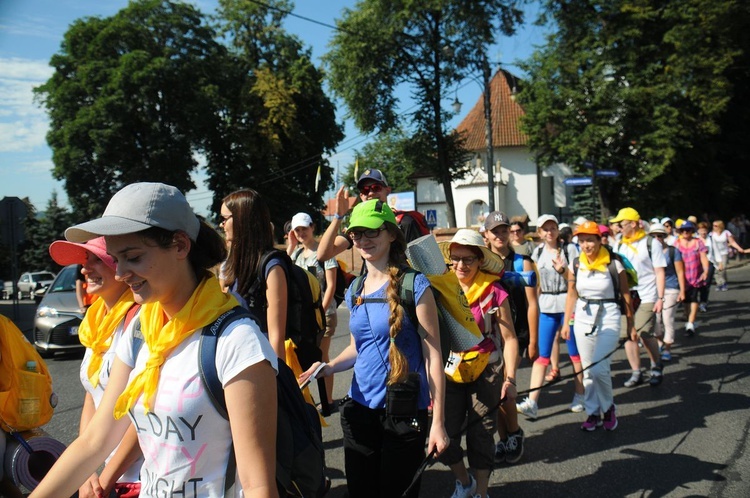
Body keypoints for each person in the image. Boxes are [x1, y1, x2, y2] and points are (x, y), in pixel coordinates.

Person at [30, 182, 279, 498]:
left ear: (179, 245)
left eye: (132, 257)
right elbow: (95, 442)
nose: (121, 273)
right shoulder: (139, 332)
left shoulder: (236, 340)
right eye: (116, 259)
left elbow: (258, 485)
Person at [299, 199, 448, 498]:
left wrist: (439, 423)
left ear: (391, 234)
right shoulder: (355, 288)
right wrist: (328, 367)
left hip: (404, 413)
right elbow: (358, 348)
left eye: (372, 232)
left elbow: (434, 358)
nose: (363, 240)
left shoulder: (414, 285)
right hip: (359, 411)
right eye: (356, 234)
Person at [48, 237, 143, 498]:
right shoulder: (95, 322)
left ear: (122, 265)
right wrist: (86, 471)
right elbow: (92, 395)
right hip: (108, 474)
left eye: (96, 260)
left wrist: (105, 478)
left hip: (142, 476)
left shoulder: (143, 321)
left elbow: (145, 413)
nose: (84, 268)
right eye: (84, 261)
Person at [436, 229, 519, 497]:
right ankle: (464, 481)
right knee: (443, 434)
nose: (461, 265)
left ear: (480, 260)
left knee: (482, 434)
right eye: (456, 258)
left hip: (487, 369)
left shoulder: (494, 290)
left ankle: (481, 492)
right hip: (448, 370)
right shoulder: (440, 287)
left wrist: (511, 380)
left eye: (468, 259)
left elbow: (510, 338)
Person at [562, 221, 636, 431]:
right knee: (587, 370)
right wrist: (567, 322)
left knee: (599, 368)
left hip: (609, 316)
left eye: (590, 240)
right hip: (583, 316)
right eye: (582, 240)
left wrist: (630, 326)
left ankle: (608, 407)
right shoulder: (576, 263)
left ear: (599, 240)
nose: (586, 245)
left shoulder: (614, 264)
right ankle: (592, 412)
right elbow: (571, 293)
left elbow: (626, 296)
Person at [518, 214, 585, 420]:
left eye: (552, 227)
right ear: (539, 232)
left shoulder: (570, 249)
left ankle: (580, 394)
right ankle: (532, 401)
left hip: (568, 302)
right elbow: (537, 283)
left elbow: (576, 279)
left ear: (557, 230)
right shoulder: (537, 252)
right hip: (546, 305)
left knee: (574, 353)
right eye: (545, 229)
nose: (549, 232)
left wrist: (563, 270)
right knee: (541, 356)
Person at [482, 210, 536, 460]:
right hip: (489, 335)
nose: (501, 235)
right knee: (495, 393)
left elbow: (532, 304)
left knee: (506, 388)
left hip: (515, 334)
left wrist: (533, 339)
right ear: (487, 235)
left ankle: (513, 433)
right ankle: (504, 439)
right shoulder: (481, 261)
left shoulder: (521, 261)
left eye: (504, 230)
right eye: (496, 231)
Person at [220, 189, 288, 360]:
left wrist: (277, 382)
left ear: (242, 219)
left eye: (224, 218)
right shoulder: (235, 265)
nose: (221, 225)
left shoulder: (272, 267)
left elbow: (276, 337)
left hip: (262, 363)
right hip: (238, 359)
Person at [610, 207, 667, 388]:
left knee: (643, 333)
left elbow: (659, 271)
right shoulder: (619, 244)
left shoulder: (651, 243)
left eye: (622, 224)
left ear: (634, 224)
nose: (619, 227)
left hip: (648, 295)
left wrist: (661, 297)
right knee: (629, 335)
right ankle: (637, 372)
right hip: (627, 296)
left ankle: (656, 365)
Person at [288, 212, 338, 408]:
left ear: (313, 227)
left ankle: (328, 400)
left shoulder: (324, 252)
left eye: (304, 229)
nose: (301, 233)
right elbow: (282, 272)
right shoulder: (297, 254)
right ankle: (307, 402)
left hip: (323, 315)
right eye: (297, 230)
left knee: (322, 357)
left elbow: (331, 286)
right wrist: (291, 245)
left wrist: (320, 313)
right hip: (305, 317)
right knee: (305, 359)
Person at [649, 223, 686, 362]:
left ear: (664, 236)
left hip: (671, 288)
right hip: (654, 290)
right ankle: (660, 343)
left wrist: (682, 291)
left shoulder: (673, 251)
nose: (657, 238)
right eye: (653, 236)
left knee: (667, 319)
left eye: (660, 235)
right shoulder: (649, 251)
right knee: (655, 321)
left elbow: (680, 271)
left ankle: (667, 348)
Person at [674, 220, 710, 335]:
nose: (685, 232)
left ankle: (690, 323)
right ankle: (688, 316)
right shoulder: (677, 243)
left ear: (692, 231)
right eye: (683, 230)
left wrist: (705, 271)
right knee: (686, 300)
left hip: (695, 276)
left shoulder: (698, 242)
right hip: (681, 277)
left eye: (688, 230)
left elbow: (703, 257)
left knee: (694, 299)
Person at [709, 219, 750, 291]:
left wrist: (739, 248)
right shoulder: (711, 234)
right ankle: (719, 283)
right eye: (713, 225)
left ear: (720, 226)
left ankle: (724, 283)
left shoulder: (726, 233)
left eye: (715, 225)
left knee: (723, 268)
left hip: (724, 252)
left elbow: (732, 242)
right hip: (714, 253)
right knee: (716, 269)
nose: (714, 227)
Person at [696, 221, 717, 311]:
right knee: (696, 284)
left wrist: (719, 262)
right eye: (701, 230)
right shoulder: (695, 240)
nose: (703, 232)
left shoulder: (711, 239)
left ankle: (703, 302)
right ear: (698, 231)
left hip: (709, 263)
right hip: (697, 264)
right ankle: (694, 302)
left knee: (706, 284)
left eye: (705, 230)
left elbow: (716, 251)